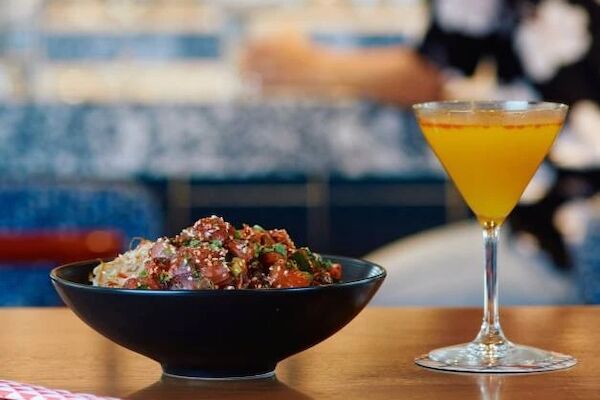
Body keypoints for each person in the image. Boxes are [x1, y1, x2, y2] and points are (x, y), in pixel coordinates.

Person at [243, 0, 600, 304]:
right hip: (569, 235)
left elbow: (428, 74)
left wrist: (308, 64)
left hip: (571, 243)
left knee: (361, 303)